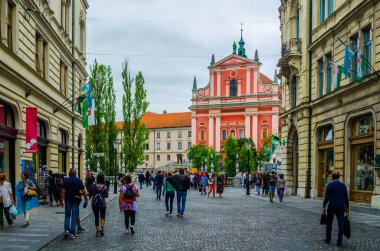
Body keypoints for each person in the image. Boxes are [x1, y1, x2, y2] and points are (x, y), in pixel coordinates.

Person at [322, 172, 349, 247]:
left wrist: (324, 206)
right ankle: (339, 241)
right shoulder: (343, 186)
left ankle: (328, 239)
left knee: (329, 223)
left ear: (332, 177)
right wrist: (347, 207)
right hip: (341, 206)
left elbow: (326, 197)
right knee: (341, 223)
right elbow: (346, 198)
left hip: (332, 206)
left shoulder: (329, 185)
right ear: (339, 177)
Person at [60, 168, 88, 239]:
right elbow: (83, 191)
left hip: (68, 200)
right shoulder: (79, 180)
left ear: (69, 173)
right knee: (74, 216)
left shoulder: (66, 180)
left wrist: (61, 201)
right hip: (76, 200)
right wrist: (86, 199)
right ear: (75, 173)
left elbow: (63, 191)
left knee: (67, 215)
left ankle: (66, 230)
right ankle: (72, 233)